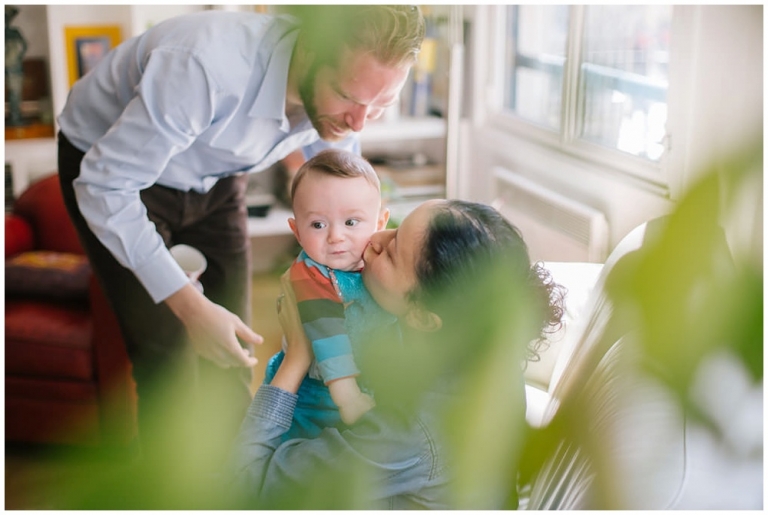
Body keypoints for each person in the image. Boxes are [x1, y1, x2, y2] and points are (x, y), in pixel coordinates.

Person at [55, 5, 425, 464]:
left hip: (218, 168)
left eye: (380, 106)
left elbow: (346, 176)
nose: (359, 122)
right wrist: (190, 308)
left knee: (236, 344)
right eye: (348, 96)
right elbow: (103, 186)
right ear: (308, 50)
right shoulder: (204, 66)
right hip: (113, 171)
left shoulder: (349, 104)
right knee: (165, 357)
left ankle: (236, 480)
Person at [228, 199, 566, 509]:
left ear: (422, 317)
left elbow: (245, 488)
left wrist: (297, 357)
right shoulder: (483, 336)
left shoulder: (410, 429)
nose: (375, 238)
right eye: (396, 227)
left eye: (391, 255)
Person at [273, 148, 397, 439]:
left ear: (380, 223)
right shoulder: (310, 274)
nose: (336, 236)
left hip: (370, 381)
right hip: (315, 395)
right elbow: (328, 333)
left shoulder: (377, 261)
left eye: (351, 222)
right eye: (318, 225)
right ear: (297, 231)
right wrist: (348, 396)